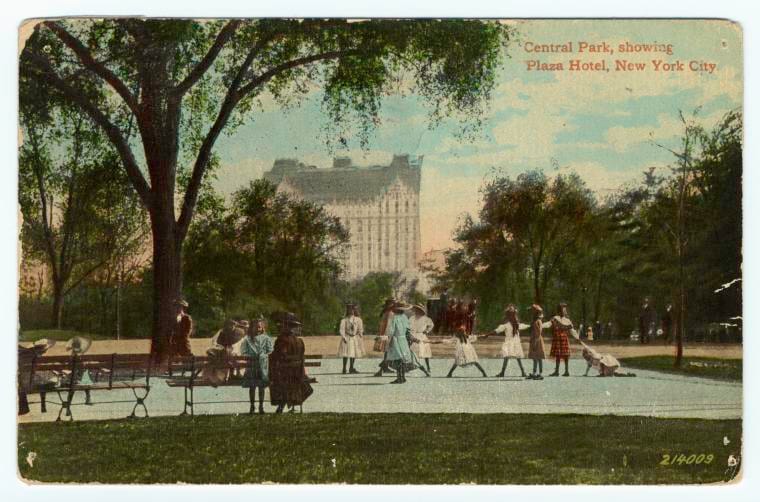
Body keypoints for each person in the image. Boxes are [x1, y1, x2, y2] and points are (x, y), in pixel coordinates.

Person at [269, 312, 313, 413]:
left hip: (285, 371)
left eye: (283, 325)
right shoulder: (299, 341)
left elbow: (279, 356)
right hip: (297, 372)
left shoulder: (282, 340)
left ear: (286, 326)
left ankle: (281, 405)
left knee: (274, 378)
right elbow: (302, 358)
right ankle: (292, 404)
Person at [240, 316, 275, 414]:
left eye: (259, 327)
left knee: (261, 387)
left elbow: (270, 351)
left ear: (262, 327)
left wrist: (263, 355)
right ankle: (252, 406)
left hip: (262, 366)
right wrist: (250, 356)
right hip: (251, 366)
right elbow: (243, 352)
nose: (258, 329)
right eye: (256, 327)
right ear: (251, 328)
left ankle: (261, 406)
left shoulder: (266, 338)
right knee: (252, 387)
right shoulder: (247, 339)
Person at [489, 304, 530, 378]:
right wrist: (530, 325)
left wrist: (487, 334)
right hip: (514, 341)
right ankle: (522, 372)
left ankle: (503, 372)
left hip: (510, 341)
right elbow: (498, 330)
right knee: (515, 357)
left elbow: (497, 330)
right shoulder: (513, 324)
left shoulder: (511, 324)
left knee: (508, 357)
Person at [18, 339, 56, 415]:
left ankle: (23, 409)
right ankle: (42, 407)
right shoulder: (39, 358)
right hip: (42, 384)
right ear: (43, 350)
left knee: (20, 383)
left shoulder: (23, 356)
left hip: (28, 385)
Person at [385, 301, 416, 384]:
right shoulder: (404, 317)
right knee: (402, 359)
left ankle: (400, 378)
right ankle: (402, 377)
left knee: (398, 359)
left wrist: (388, 339)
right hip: (403, 340)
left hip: (396, 340)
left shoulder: (394, 318)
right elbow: (408, 329)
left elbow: (391, 331)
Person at [549, 303, 577, 377]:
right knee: (558, 355)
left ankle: (566, 371)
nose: (564, 311)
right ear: (559, 310)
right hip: (557, 338)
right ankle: (557, 371)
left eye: (565, 309)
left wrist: (577, 337)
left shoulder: (567, 320)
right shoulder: (555, 318)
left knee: (565, 355)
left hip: (563, 338)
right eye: (563, 309)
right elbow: (549, 324)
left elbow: (572, 330)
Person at [338, 304, 365, 374]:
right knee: (346, 353)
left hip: (354, 338)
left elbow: (360, 329)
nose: (351, 311)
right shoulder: (344, 320)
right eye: (349, 310)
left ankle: (351, 367)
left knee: (353, 353)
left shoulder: (358, 320)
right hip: (347, 337)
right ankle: (344, 368)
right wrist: (343, 337)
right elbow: (341, 329)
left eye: (352, 310)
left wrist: (360, 335)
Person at [373, 298, 397, 377]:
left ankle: (384, 367)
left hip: (386, 334)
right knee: (388, 352)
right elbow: (388, 326)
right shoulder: (390, 313)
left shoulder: (386, 313)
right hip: (388, 334)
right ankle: (382, 368)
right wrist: (388, 335)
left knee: (388, 352)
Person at [527, 305, 552, 380]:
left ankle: (540, 373)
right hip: (534, 339)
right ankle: (535, 372)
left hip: (537, 340)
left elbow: (538, 332)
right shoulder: (535, 321)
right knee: (535, 357)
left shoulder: (538, 321)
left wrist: (535, 342)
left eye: (533, 312)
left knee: (539, 357)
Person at [410, 304, 435, 373]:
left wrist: (426, 331)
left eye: (418, 309)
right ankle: (412, 365)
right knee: (412, 351)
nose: (416, 311)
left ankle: (428, 367)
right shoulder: (412, 318)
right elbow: (408, 326)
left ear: (421, 310)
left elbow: (431, 325)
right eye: (416, 309)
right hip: (413, 335)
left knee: (425, 352)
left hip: (422, 335)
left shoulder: (426, 319)